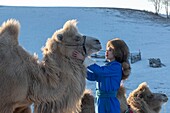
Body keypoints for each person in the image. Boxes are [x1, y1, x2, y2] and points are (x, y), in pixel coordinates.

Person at [72, 38, 131, 113]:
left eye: (110, 50)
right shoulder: (107, 67)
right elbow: (93, 76)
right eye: (107, 50)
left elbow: (99, 71)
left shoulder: (116, 67)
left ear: (117, 52)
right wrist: (81, 68)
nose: (107, 52)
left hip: (110, 101)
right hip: (100, 99)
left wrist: (84, 59)